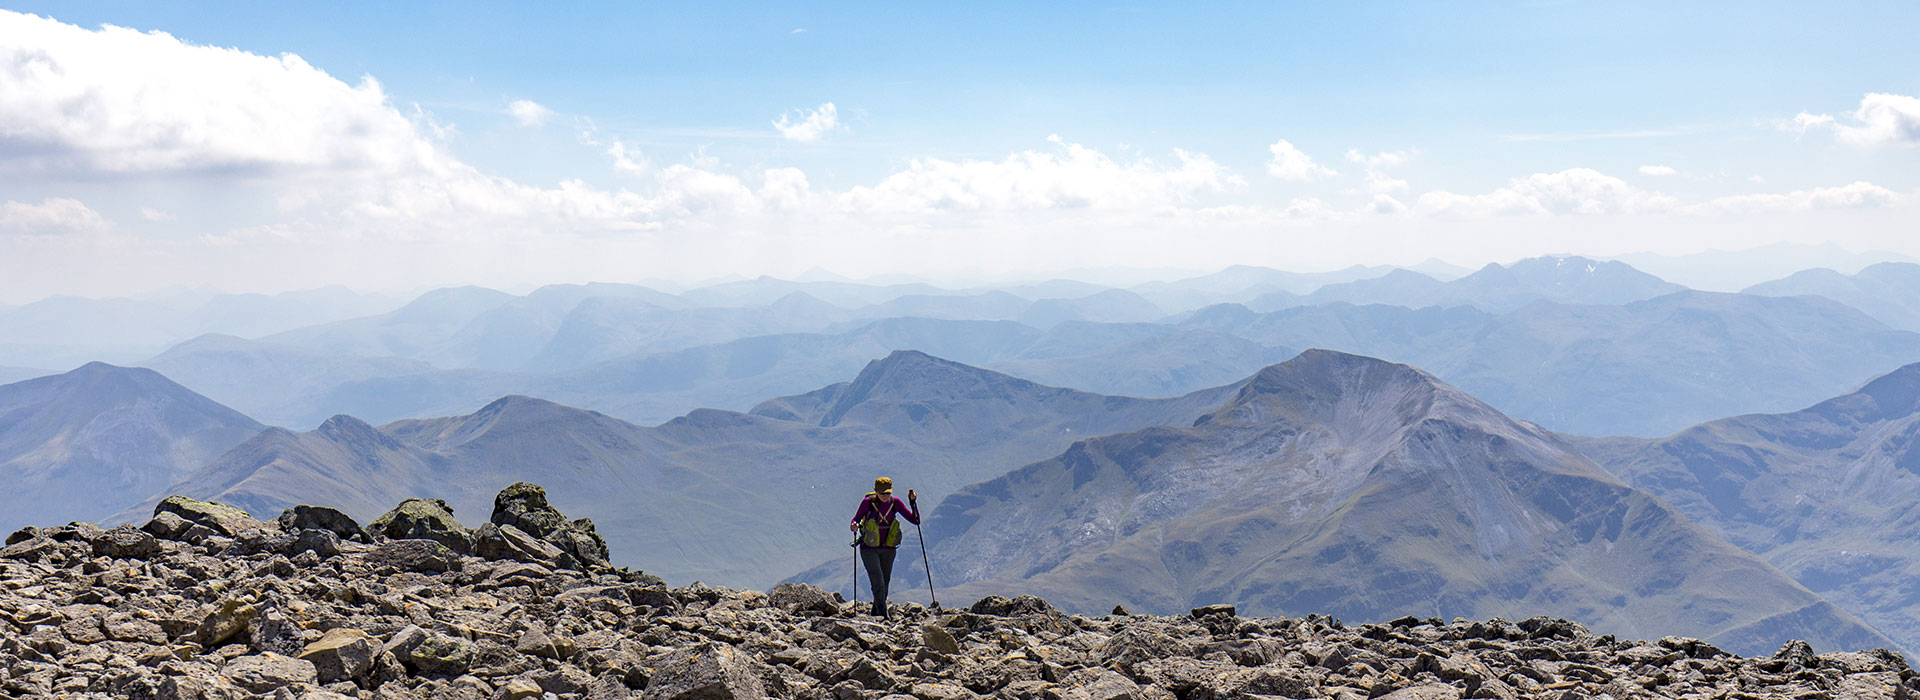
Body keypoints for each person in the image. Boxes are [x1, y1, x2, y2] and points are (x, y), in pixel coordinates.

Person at [850, 476, 919, 619]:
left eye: (887, 493)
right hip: (868, 548)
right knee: (878, 581)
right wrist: (854, 525)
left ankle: (876, 614)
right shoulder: (867, 503)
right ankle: (884, 616)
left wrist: (913, 503)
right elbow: (855, 518)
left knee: (885, 582)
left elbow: (915, 520)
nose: (885, 496)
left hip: (889, 549)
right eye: (882, 493)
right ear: (875, 491)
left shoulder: (895, 503)